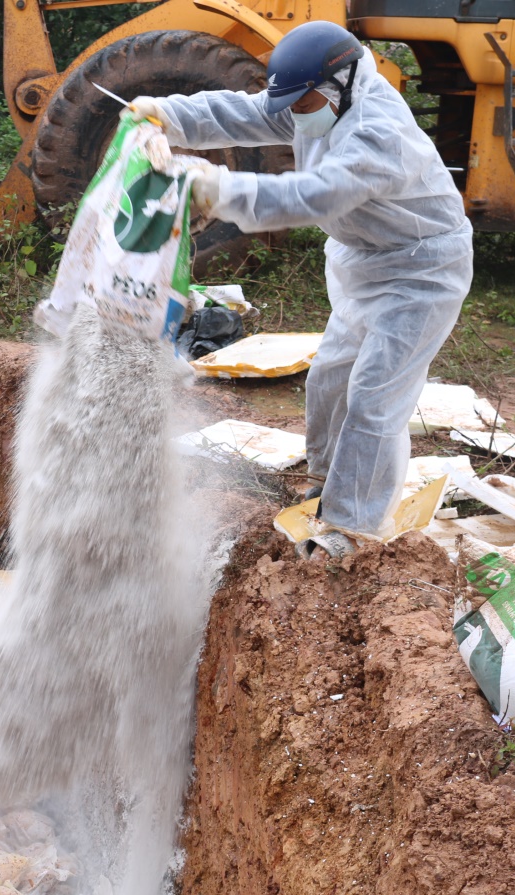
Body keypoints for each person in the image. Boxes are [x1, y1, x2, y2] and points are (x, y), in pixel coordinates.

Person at [128, 21, 473, 560]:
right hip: (362, 264)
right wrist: (167, 114)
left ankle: (350, 530)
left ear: (345, 81)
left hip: (420, 272)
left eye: (304, 99)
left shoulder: (376, 133)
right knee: (331, 379)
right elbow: (247, 111)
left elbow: (315, 196)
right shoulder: (319, 98)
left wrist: (219, 191)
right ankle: (329, 483)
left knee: (375, 398)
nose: (296, 110)